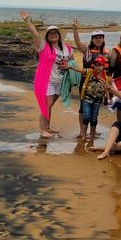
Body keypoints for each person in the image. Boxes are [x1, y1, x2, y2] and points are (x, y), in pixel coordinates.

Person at [20, 10, 73, 138]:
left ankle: (48, 127)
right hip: (46, 80)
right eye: (51, 33)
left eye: (55, 33)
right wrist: (27, 21)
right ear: (48, 36)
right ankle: (43, 130)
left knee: (50, 106)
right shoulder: (43, 46)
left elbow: (71, 62)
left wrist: (68, 65)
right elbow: (34, 33)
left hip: (59, 81)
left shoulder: (67, 48)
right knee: (46, 104)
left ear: (59, 35)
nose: (53, 35)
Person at [71, 21, 110, 139]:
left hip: (100, 83)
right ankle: (82, 131)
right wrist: (75, 30)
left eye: (100, 38)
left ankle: (93, 129)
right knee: (83, 106)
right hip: (86, 81)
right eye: (96, 38)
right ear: (92, 39)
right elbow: (77, 43)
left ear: (103, 39)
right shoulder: (86, 49)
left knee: (95, 105)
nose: (98, 40)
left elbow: (109, 69)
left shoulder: (106, 52)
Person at [79, 56, 108, 143]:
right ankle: (83, 134)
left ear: (103, 66)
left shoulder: (106, 77)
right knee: (86, 116)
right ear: (93, 66)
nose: (97, 67)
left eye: (100, 65)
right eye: (96, 65)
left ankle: (91, 136)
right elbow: (80, 70)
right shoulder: (90, 72)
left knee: (94, 119)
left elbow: (108, 88)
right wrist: (70, 66)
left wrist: (108, 99)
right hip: (87, 99)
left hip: (97, 101)